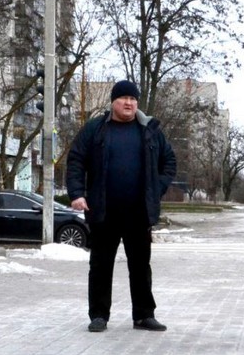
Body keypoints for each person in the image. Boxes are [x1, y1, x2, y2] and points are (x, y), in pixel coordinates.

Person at [66, 79, 177, 333]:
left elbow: (169, 161)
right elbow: (76, 160)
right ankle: (99, 315)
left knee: (140, 267)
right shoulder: (95, 129)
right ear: (113, 102)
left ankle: (144, 316)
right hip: (103, 211)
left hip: (139, 212)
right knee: (100, 266)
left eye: (133, 99)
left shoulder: (149, 130)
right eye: (124, 98)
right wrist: (77, 194)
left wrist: (156, 187)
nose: (129, 103)